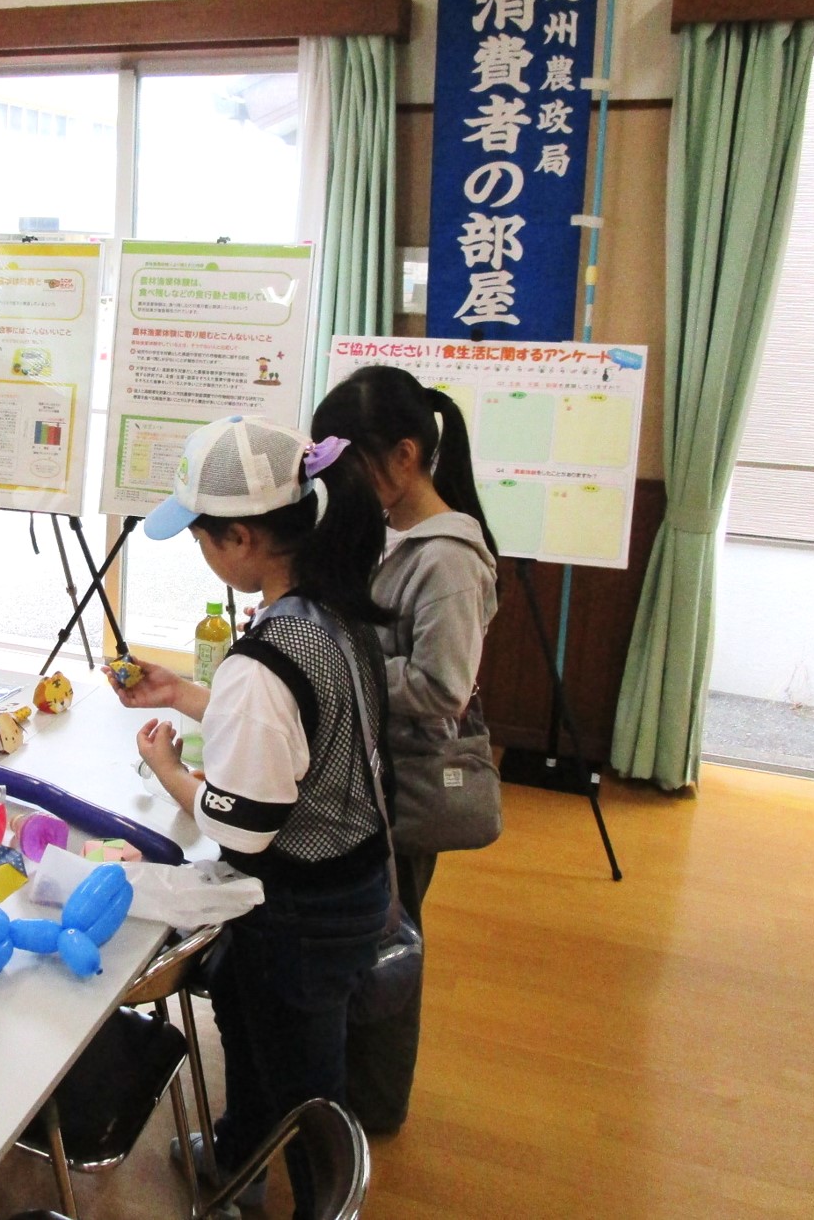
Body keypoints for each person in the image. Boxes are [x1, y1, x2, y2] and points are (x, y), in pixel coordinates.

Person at [114, 414, 393, 1218]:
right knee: (254, 1028)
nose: (201, 551)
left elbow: (241, 827)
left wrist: (170, 771)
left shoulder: (265, 656)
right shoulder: (332, 611)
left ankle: (315, 1200)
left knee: (300, 1077)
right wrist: (182, 692)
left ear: (240, 539)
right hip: (352, 881)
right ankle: (238, 1159)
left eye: (201, 536)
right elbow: (297, 725)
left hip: (299, 912)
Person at [311, 364, 500, 1134]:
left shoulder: (448, 558)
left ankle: (377, 1105)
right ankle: (349, 1085)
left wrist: (339, 665)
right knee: (368, 931)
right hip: (370, 773)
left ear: (405, 455)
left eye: (349, 462)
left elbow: (442, 689)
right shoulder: (393, 532)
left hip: (408, 782)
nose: (341, 481)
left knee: (392, 941)